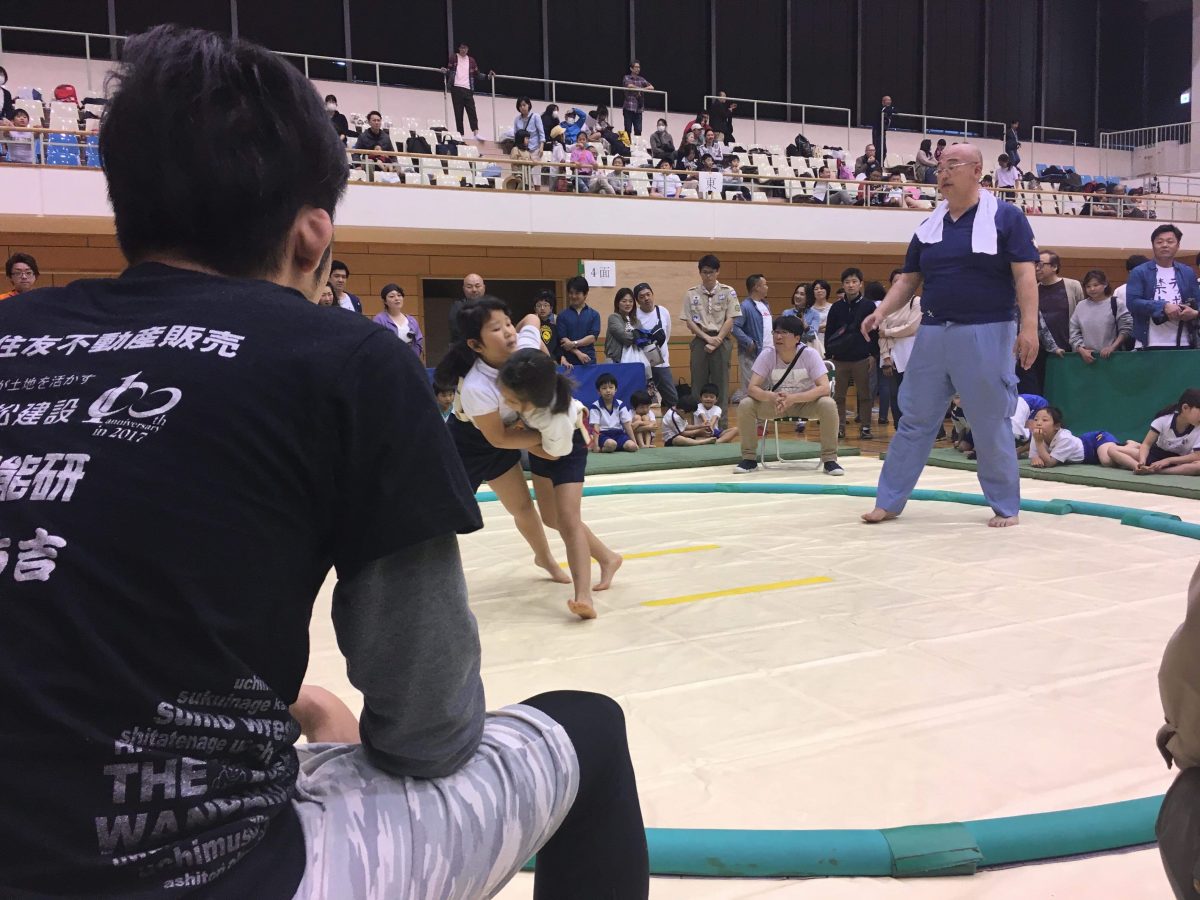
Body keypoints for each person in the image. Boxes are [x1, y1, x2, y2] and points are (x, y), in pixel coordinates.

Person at [0, 24, 649, 900]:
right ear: (313, 238)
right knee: (590, 730)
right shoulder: (347, 360)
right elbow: (429, 731)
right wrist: (329, 738)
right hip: (208, 870)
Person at [861, 142, 1040, 528]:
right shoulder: (929, 224)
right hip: (932, 331)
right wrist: (880, 311)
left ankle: (1005, 505)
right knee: (914, 419)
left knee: (989, 422)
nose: (942, 173)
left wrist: (1029, 328)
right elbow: (908, 279)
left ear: (977, 171)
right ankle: (888, 501)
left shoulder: (1007, 217)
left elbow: (1025, 276)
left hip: (988, 330)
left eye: (952, 165)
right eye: (940, 167)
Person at [498, 349, 623, 619]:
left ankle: (583, 596)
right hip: (539, 441)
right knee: (551, 518)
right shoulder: (527, 379)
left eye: (511, 399)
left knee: (568, 519)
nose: (505, 401)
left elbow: (553, 454)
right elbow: (532, 329)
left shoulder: (555, 417)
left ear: (533, 400)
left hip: (567, 448)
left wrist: (511, 439)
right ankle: (608, 557)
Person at [732, 316, 843, 476]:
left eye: (784, 333)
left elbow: (825, 388)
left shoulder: (810, 354)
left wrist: (794, 398)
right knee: (746, 404)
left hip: (805, 405)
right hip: (777, 405)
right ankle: (749, 459)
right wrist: (771, 397)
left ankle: (830, 460)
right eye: (776, 332)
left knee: (828, 404)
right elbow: (752, 388)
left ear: (797, 338)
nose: (778, 337)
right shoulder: (767, 354)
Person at [682, 254, 741, 428]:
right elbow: (689, 321)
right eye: (705, 272)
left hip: (722, 340)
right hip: (701, 340)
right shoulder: (691, 293)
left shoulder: (728, 291)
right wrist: (707, 338)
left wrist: (718, 339)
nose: (708, 276)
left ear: (717, 272)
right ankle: (698, 425)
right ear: (700, 272)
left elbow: (731, 318)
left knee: (721, 384)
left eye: (712, 272)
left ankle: (720, 426)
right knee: (697, 384)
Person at [1125, 224, 1200, 350]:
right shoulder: (1140, 272)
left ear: (1178, 245)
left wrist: (1195, 313)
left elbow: (1198, 301)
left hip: (1185, 341)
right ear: (1153, 245)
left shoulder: (1187, 272)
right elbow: (1132, 303)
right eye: (1159, 242)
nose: (1165, 245)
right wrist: (1163, 306)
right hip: (1150, 343)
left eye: (1170, 241)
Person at [1021, 249, 1083, 393]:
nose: (1037, 268)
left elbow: (1082, 315)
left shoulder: (1072, 286)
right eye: (1035, 264)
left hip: (1069, 348)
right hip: (1040, 351)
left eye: (1041, 264)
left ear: (1054, 267)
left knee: (1068, 388)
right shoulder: (1033, 290)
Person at [825, 267, 877, 439]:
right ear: (843, 285)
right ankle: (839, 427)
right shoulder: (836, 307)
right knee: (838, 396)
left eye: (854, 281)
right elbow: (829, 332)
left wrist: (873, 355)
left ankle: (866, 427)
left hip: (861, 358)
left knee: (865, 395)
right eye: (847, 282)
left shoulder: (868, 305)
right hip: (839, 359)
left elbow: (874, 333)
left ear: (861, 284)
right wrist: (829, 355)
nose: (851, 285)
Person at [877, 268, 922, 429]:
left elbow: (911, 327)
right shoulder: (886, 305)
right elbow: (880, 333)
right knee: (895, 394)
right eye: (895, 282)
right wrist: (886, 357)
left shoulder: (916, 302)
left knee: (913, 394)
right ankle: (899, 427)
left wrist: (889, 332)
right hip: (891, 355)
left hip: (911, 353)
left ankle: (917, 428)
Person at [1069, 269, 1132, 363]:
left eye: (1096, 285)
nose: (1092, 289)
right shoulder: (1080, 306)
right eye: (1088, 286)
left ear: (1105, 284)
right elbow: (1074, 331)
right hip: (1087, 359)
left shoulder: (1116, 303)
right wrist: (1081, 350)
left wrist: (1112, 347)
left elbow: (1126, 329)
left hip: (1113, 358)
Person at [1134, 388, 1200, 475]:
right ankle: (1141, 467)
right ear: (1185, 408)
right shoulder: (1164, 420)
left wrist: (1168, 460)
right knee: (1116, 451)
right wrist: (1142, 461)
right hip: (1156, 455)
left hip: (1180, 461)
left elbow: (1197, 455)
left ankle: (1157, 471)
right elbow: (1146, 444)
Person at [633, 281, 678, 410]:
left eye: (648, 294)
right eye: (642, 297)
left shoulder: (663, 311)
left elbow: (667, 334)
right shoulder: (634, 315)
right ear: (637, 300)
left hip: (661, 363)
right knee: (643, 400)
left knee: (672, 398)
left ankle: (673, 421)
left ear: (653, 295)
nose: (646, 298)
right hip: (642, 363)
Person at [732, 274, 771, 404]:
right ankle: (749, 415)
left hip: (767, 353)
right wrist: (749, 342)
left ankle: (762, 416)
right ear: (756, 287)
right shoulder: (745, 306)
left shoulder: (765, 305)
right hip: (751, 354)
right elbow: (734, 327)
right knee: (751, 389)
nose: (767, 287)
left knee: (765, 388)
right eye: (765, 285)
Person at [441, 43, 491, 141]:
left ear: (468, 49)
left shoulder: (471, 60)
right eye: (462, 48)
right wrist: (445, 71)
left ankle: (476, 133)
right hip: (456, 88)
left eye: (465, 48)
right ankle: (461, 135)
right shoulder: (454, 58)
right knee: (458, 112)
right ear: (459, 49)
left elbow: (477, 74)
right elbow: (449, 71)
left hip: (468, 89)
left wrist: (487, 77)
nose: (463, 50)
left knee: (472, 111)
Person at [557, 275, 601, 364]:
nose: (573, 296)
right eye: (571, 293)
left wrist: (574, 343)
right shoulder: (562, 315)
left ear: (585, 294)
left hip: (589, 360)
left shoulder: (594, 315)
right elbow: (563, 341)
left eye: (577, 293)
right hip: (568, 363)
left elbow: (592, 338)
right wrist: (578, 353)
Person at [589, 372, 637, 453]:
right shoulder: (595, 406)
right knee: (611, 444)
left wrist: (634, 442)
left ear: (616, 389)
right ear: (599, 391)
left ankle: (615, 447)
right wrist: (596, 446)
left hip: (618, 434)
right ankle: (604, 448)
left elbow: (626, 424)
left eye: (611, 387)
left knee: (632, 447)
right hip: (603, 435)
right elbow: (595, 427)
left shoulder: (620, 404)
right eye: (604, 388)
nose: (608, 390)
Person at [373, 283, 424, 359]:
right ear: (385, 301)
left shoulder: (411, 320)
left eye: (399, 295)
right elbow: (377, 344)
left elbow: (418, 342)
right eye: (392, 296)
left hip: (409, 361)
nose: (397, 298)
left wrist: (412, 358)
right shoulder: (379, 319)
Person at [448, 272, 487, 342]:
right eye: (469, 287)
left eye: (477, 286)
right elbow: (457, 331)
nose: (474, 290)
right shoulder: (458, 307)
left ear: (484, 287)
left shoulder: (493, 307)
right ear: (463, 289)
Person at [604, 287, 639, 364]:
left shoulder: (636, 321)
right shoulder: (613, 318)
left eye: (631, 301)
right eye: (624, 301)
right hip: (615, 361)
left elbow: (644, 338)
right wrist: (638, 337)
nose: (628, 304)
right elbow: (625, 337)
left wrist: (641, 336)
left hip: (634, 361)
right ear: (617, 303)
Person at [621, 61, 654, 136]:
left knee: (638, 130)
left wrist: (641, 89)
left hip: (639, 109)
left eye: (639, 67)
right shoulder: (627, 77)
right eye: (636, 67)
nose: (638, 69)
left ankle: (637, 144)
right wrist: (640, 89)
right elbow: (629, 86)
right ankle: (627, 144)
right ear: (631, 68)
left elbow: (652, 87)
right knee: (627, 129)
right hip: (628, 108)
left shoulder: (641, 79)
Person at [534, 288, 558, 353]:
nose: (542, 308)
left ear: (551, 308)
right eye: (539, 305)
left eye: (545, 305)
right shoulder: (532, 321)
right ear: (535, 309)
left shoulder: (557, 320)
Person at [872, 94, 894, 161]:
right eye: (887, 100)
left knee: (884, 150)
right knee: (878, 149)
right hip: (877, 131)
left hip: (883, 131)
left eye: (890, 100)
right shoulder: (882, 108)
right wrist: (891, 109)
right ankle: (877, 163)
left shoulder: (890, 108)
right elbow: (886, 110)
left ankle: (881, 163)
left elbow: (896, 110)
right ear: (883, 102)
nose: (889, 102)